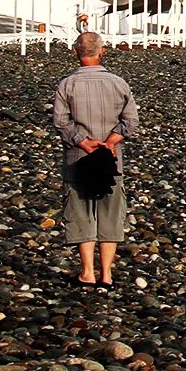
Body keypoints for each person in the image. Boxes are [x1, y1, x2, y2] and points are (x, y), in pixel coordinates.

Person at [51, 31, 139, 288]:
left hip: (77, 156)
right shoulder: (118, 83)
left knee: (80, 212)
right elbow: (130, 121)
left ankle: (88, 271)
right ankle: (107, 274)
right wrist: (112, 140)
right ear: (102, 52)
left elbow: (60, 121)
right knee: (111, 213)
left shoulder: (67, 84)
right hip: (110, 160)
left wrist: (83, 140)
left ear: (75, 52)